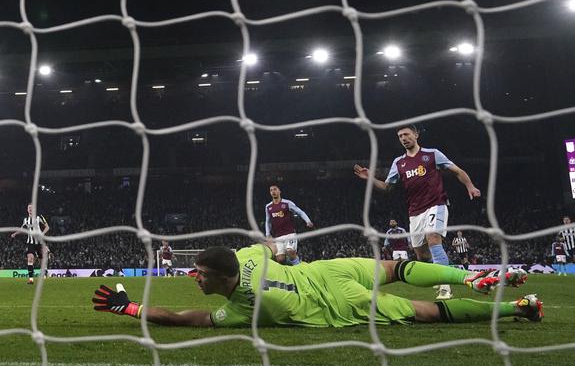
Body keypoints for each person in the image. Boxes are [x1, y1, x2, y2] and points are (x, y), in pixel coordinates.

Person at [91, 242, 538, 328]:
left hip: (339, 302)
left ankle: (516, 307)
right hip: (326, 269)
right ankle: (470, 275)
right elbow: (270, 247)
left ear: (221, 277)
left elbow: (186, 318)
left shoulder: (248, 308)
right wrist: (282, 255)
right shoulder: (246, 255)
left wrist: (128, 308)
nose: (194, 277)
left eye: (200, 274)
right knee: (397, 267)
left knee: (426, 312)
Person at [353, 124, 481, 300]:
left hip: (436, 204)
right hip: (415, 212)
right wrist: (370, 178)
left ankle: (445, 286)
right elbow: (387, 187)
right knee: (422, 255)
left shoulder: (432, 154)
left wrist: (470, 185)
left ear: (416, 135)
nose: (403, 138)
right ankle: (441, 272)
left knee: (433, 238)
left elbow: (457, 171)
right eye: (400, 136)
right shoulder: (399, 163)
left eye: (406, 134)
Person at [263, 185, 313, 265]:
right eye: (271, 190)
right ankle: (290, 267)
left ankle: (299, 267)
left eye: (275, 189)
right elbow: (267, 221)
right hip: (278, 236)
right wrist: (268, 234)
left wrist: (308, 221)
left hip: (290, 234)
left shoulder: (287, 203)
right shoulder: (268, 207)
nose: (273, 191)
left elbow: (299, 212)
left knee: (290, 252)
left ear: (279, 191)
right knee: (280, 259)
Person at [10, 203, 49, 284]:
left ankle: (44, 271)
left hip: (39, 242)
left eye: (32, 208)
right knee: (30, 258)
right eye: (29, 208)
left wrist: (42, 233)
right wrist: (15, 233)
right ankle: (31, 279)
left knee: (42, 259)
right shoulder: (25, 220)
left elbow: (47, 227)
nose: (30, 209)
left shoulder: (39, 217)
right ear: (27, 210)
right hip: (30, 243)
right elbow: (21, 229)